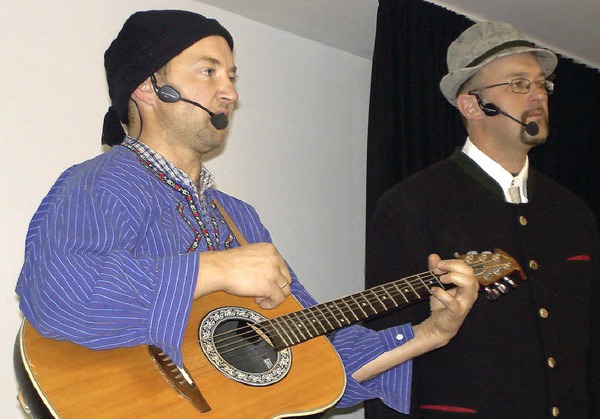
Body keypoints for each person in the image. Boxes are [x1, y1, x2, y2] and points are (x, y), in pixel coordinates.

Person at [15, 9, 479, 416]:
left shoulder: (239, 218)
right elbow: (59, 294)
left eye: (232, 76)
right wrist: (215, 269)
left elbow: (318, 360)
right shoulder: (106, 180)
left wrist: (428, 333)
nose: (229, 93)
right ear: (148, 87)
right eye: (208, 72)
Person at [364, 21, 600, 418]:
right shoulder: (412, 204)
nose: (538, 94)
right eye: (518, 84)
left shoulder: (573, 213)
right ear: (471, 104)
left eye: (541, 84)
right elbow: (385, 350)